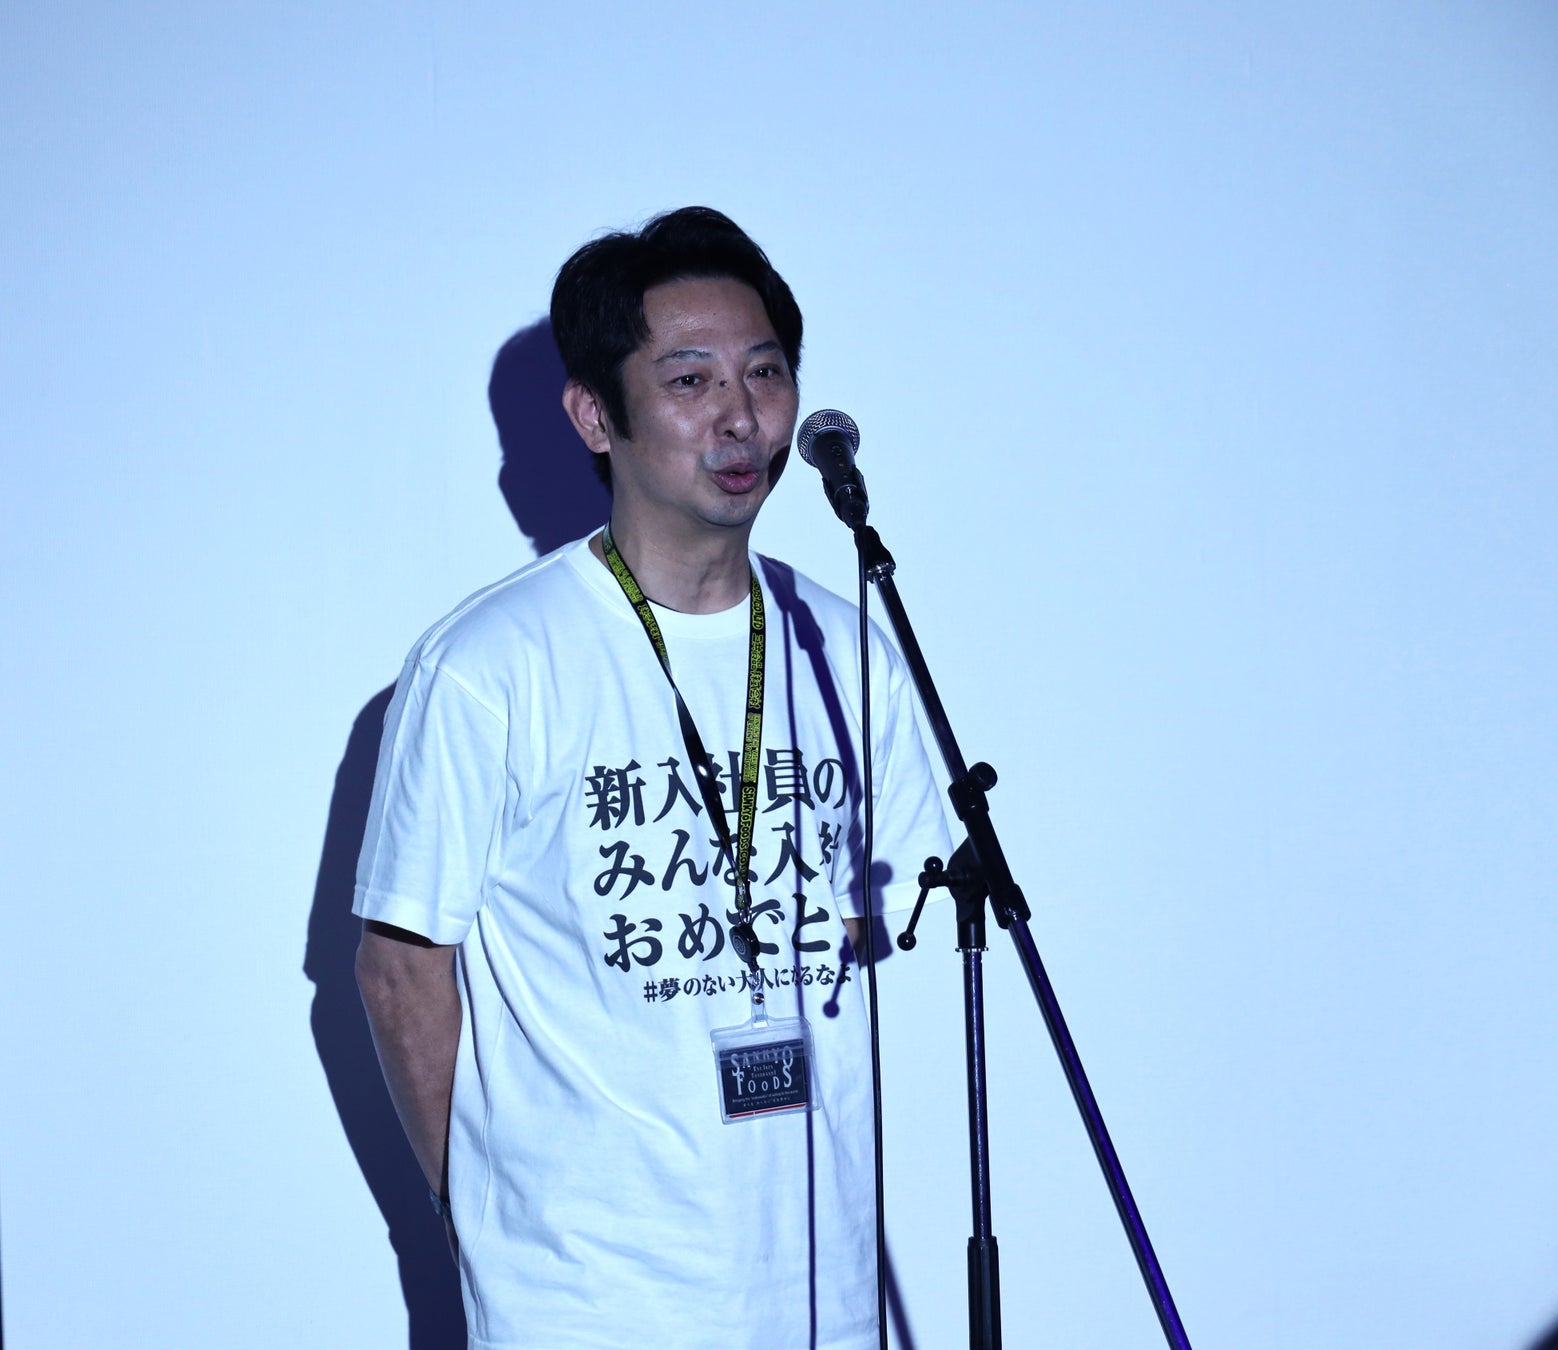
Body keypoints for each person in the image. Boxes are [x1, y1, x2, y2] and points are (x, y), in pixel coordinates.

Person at [354, 206, 950, 1349]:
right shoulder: (492, 664)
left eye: (764, 373)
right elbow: (398, 970)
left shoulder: (846, 647)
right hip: (587, 1299)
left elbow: (871, 912)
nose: (740, 415)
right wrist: (487, 1217)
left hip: (822, 1287)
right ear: (595, 415)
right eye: (689, 381)